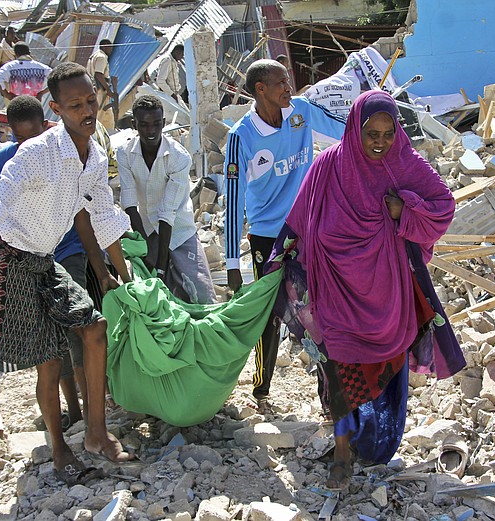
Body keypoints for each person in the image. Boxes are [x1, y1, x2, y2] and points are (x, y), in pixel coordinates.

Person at [264, 90, 462, 490]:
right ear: (355, 129)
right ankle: (341, 453)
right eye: (372, 133)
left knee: (383, 370)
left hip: (386, 298)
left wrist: (403, 210)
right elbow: (299, 220)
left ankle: (373, 438)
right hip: (333, 291)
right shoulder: (327, 167)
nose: (379, 142)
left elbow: (443, 205)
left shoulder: (405, 164)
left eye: (388, 134)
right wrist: (274, 266)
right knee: (337, 367)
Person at [0, 63, 134, 485]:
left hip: (43, 258)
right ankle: (59, 449)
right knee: (50, 361)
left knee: (94, 328)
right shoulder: (36, 153)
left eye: (91, 100)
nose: (87, 110)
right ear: (55, 108)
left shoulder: (92, 152)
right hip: (9, 260)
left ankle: (95, 432)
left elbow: (94, 215)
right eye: (75, 105)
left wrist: (114, 272)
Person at [224, 59, 345, 406]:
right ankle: (261, 388)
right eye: (280, 83)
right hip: (267, 236)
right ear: (260, 89)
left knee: (319, 308)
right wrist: (233, 263)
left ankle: (331, 392)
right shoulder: (241, 137)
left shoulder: (301, 112)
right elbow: (233, 202)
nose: (288, 88)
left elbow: (344, 131)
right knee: (268, 314)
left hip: (308, 227)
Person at [0, 95, 91, 430]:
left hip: (66, 250)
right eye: (19, 139)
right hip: (29, 260)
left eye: (34, 137)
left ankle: (90, 413)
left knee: (78, 330)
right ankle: (72, 412)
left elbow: (86, 211)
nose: (27, 145)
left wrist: (99, 265)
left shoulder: (66, 151)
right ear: (10, 133)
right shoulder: (2, 163)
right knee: (49, 346)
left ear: (46, 126)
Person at [117, 95, 216, 304]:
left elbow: (167, 213)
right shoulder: (125, 154)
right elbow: (129, 202)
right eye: (143, 125)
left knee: (202, 295)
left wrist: (160, 267)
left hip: (179, 230)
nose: (151, 131)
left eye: (156, 124)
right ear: (134, 124)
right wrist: (145, 248)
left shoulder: (178, 157)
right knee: (150, 300)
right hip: (145, 229)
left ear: (163, 123)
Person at [86, 39, 116, 131]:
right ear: (105, 46)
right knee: (99, 114)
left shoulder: (94, 55)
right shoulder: (102, 57)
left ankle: (110, 132)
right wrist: (108, 89)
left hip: (95, 87)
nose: (111, 50)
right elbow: (98, 74)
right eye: (110, 47)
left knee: (108, 116)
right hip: (100, 90)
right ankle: (94, 134)